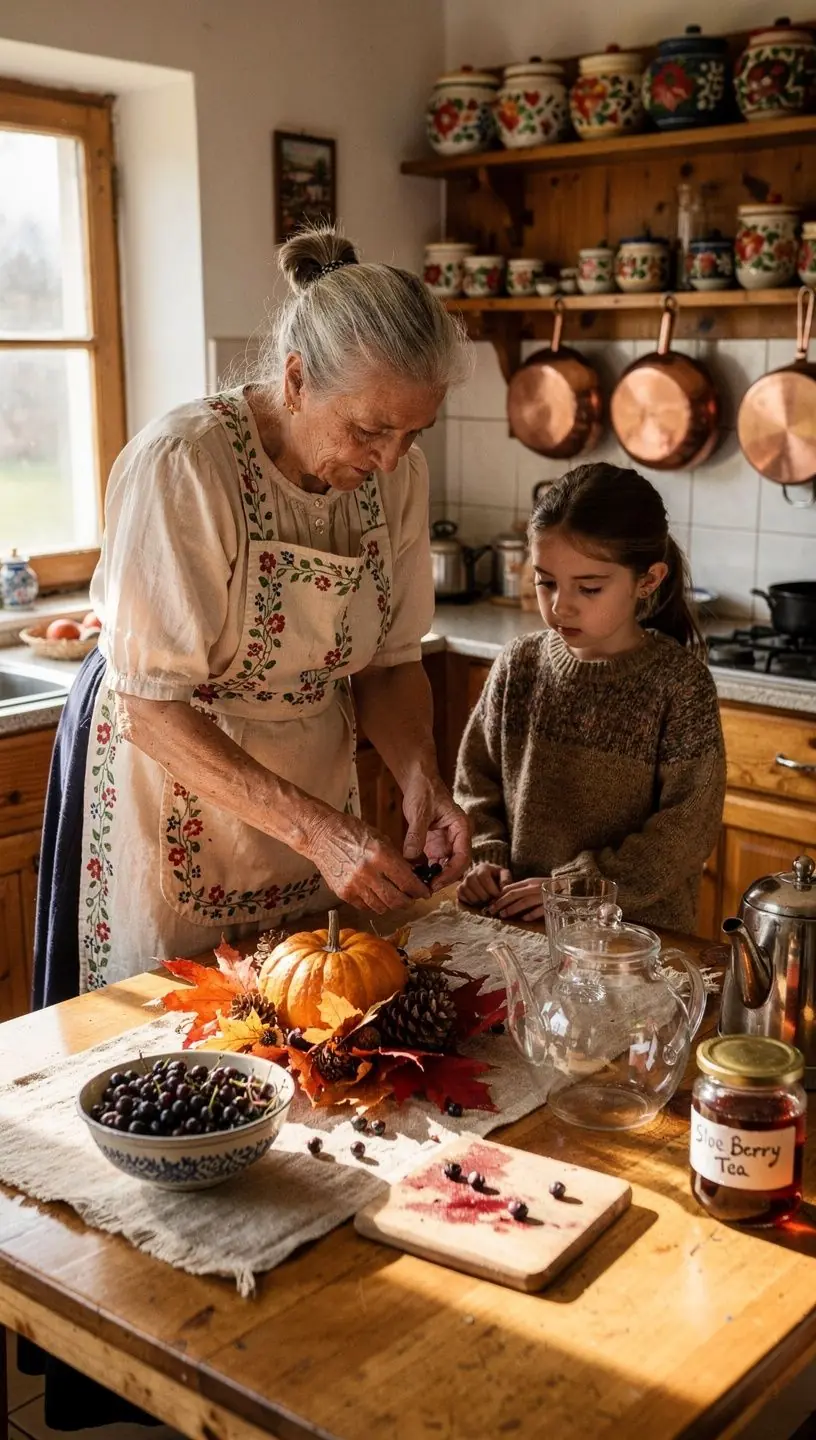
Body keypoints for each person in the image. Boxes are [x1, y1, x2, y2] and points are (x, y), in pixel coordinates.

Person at [34, 222, 473, 1009]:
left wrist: (420, 779)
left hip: (306, 795)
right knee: (172, 1031)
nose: (391, 460)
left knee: (309, 1009)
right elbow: (150, 706)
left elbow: (391, 660)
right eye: (371, 429)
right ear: (297, 380)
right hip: (167, 785)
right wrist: (322, 834)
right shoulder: (186, 465)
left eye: (415, 433)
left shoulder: (396, 476)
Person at [455, 462, 726, 933]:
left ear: (648, 579)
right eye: (546, 581)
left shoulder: (681, 686)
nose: (560, 605)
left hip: (635, 942)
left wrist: (579, 887)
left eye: (589, 587)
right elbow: (475, 783)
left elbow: (686, 831)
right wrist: (486, 858)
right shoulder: (519, 665)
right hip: (520, 927)